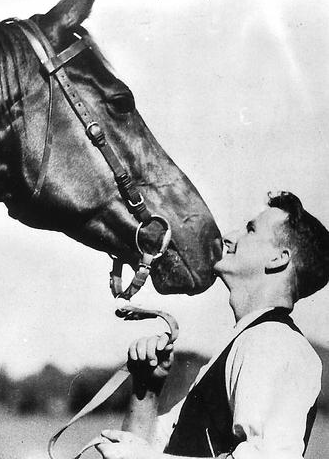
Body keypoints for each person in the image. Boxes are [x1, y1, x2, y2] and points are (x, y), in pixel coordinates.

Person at [96, 191, 329, 459]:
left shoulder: (274, 342)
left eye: (250, 230)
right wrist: (146, 390)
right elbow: (141, 450)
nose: (229, 236)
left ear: (279, 258)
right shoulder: (247, 342)